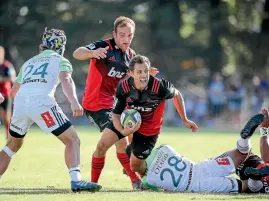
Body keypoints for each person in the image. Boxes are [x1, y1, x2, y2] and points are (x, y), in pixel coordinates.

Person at [0, 28, 101, 192]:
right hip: (42, 104)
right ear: (61, 45)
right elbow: (66, 80)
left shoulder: (28, 63)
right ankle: (76, 181)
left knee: (11, 146)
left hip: (21, 104)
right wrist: (74, 102)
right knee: (72, 140)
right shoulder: (60, 60)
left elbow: (13, 93)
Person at [73, 16, 158, 189]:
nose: (126, 39)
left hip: (114, 105)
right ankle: (132, 181)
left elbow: (133, 79)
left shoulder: (131, 56)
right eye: (122, 35)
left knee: (120, 142)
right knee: (116, 142)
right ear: (114, 34)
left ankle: (133, 179)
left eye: (129, 36)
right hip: (95, 104)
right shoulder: (104, 46)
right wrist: (91, 53)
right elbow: (77, 53)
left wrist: (144, 75)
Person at [92, 54, 198, 185]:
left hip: (149, 129)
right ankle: (93, 185)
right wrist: (122, 131)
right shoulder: (124, 87)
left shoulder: (159, 86)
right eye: (139, 72)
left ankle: (147, 172)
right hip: (128, 123)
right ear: (131, 73)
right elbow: (116, 114)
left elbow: (177, 95)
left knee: (135, 166)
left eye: (146, 71)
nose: (144, 75)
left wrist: (185, 119)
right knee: (101, 145)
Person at [141, 112, 265, 193]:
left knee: (246, 186)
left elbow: (160, 190)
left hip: (200, 186)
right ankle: (244, 139)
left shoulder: (149, 179)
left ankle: (254, 178)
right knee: (242, 153)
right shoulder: (164, 148)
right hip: (202, 168)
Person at [236, 108, 269, 193]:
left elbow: (266, 157)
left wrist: (264, 128)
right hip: (261, 170)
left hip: (259, 168)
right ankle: (254, 176)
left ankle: (245, 139)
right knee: (249, 186)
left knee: (241, 156)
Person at [0, 46, 16, 138]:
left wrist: (2, 79)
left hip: (5, 95)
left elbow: (13, 78)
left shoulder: (6, 65)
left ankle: (9, 136)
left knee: (6, 118)